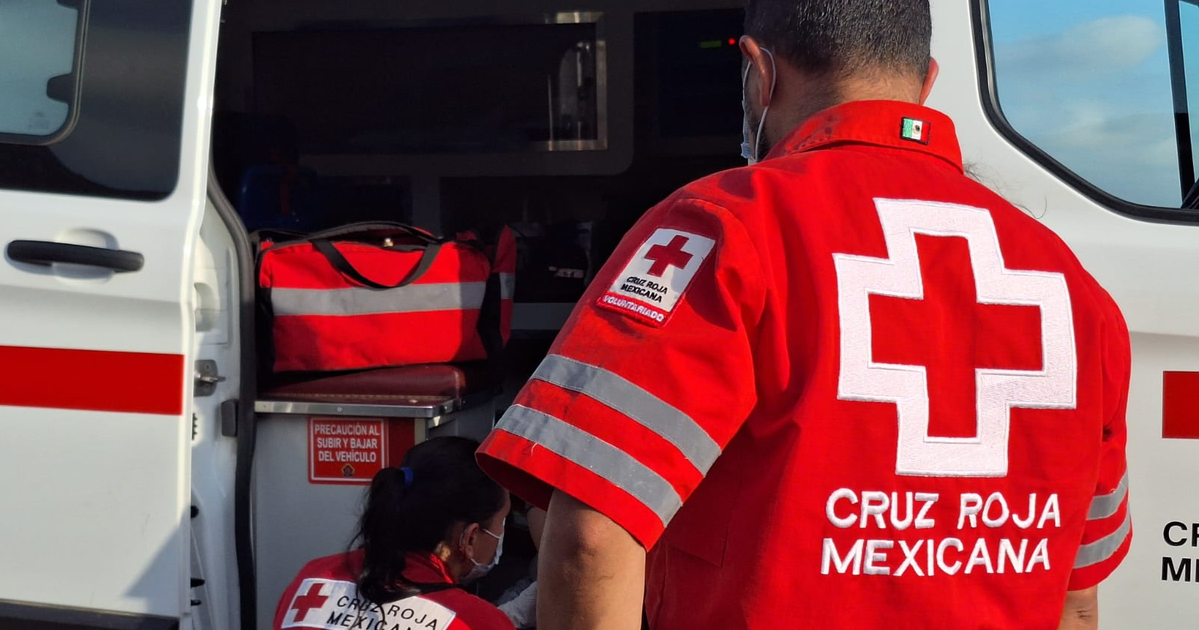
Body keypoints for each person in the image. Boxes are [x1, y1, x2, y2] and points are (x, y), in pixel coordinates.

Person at [476, 1, 1132, 629]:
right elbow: (1077, 602)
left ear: (760, 74)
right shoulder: (1074, 287)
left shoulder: (725, 231)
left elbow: (592, 533)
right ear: (927, 81)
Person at [275, 437, 516, 630]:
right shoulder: (476, 621)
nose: (502, 532)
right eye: (502, 521)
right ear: (469, 538)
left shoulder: (312, 578)